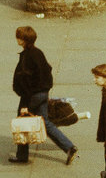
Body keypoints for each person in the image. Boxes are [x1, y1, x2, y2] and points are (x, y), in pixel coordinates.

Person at [9, 25, 77, 165]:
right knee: (45, 122)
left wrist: (25, 105)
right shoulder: (38, 53)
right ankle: (69, 147)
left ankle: (22, 155)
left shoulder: (28, 56)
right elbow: (48, 69)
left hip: (32, 96)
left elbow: (27, 83)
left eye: (18, 36)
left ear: (23, 39)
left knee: (23, 119)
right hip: (42, 93)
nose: (17, 38)